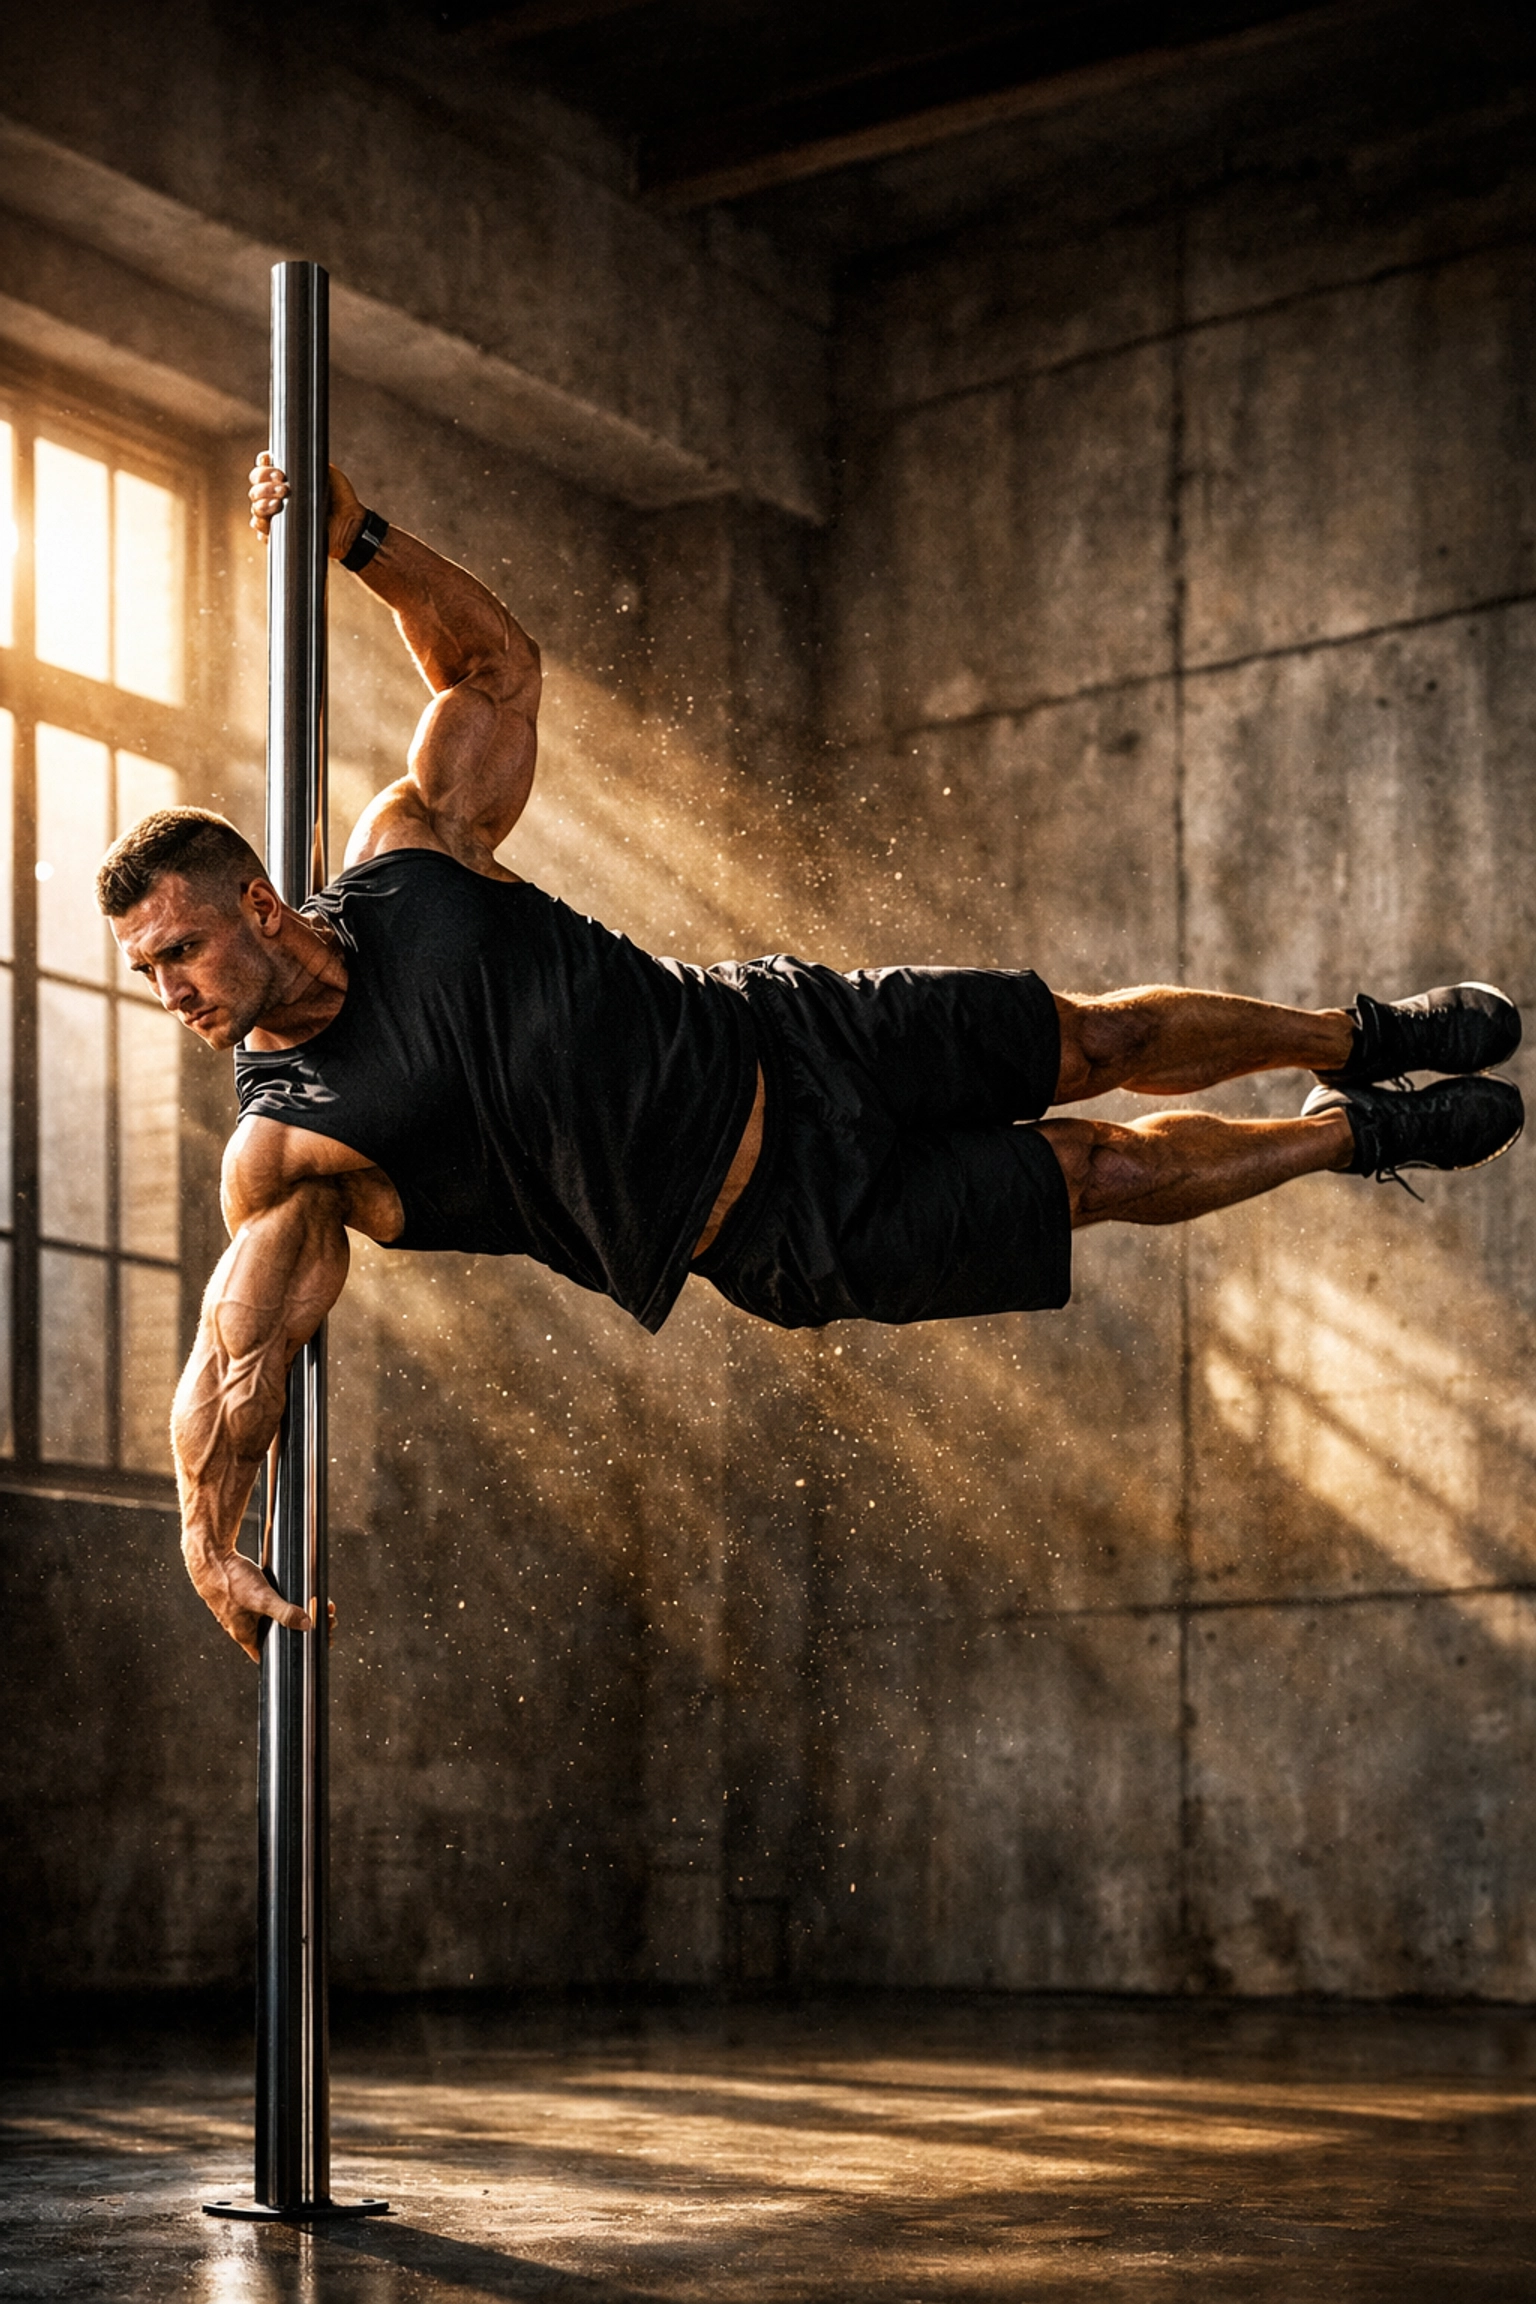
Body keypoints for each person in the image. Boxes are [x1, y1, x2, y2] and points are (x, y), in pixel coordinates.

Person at [96, 457, 1524, 1660]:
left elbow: (496, 669)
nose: (171, 994)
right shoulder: (294, 1142)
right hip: (787, 1228)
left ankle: (1363, 1036)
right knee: (1097, 1178)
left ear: (260, 906)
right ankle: (1358, 1136)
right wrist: (205, 1541)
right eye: (146, 973)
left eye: (179, 953)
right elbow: (236, 1349)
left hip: (798, 1030)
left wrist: (361, 538)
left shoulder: (410, 858)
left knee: (1105, 1037)